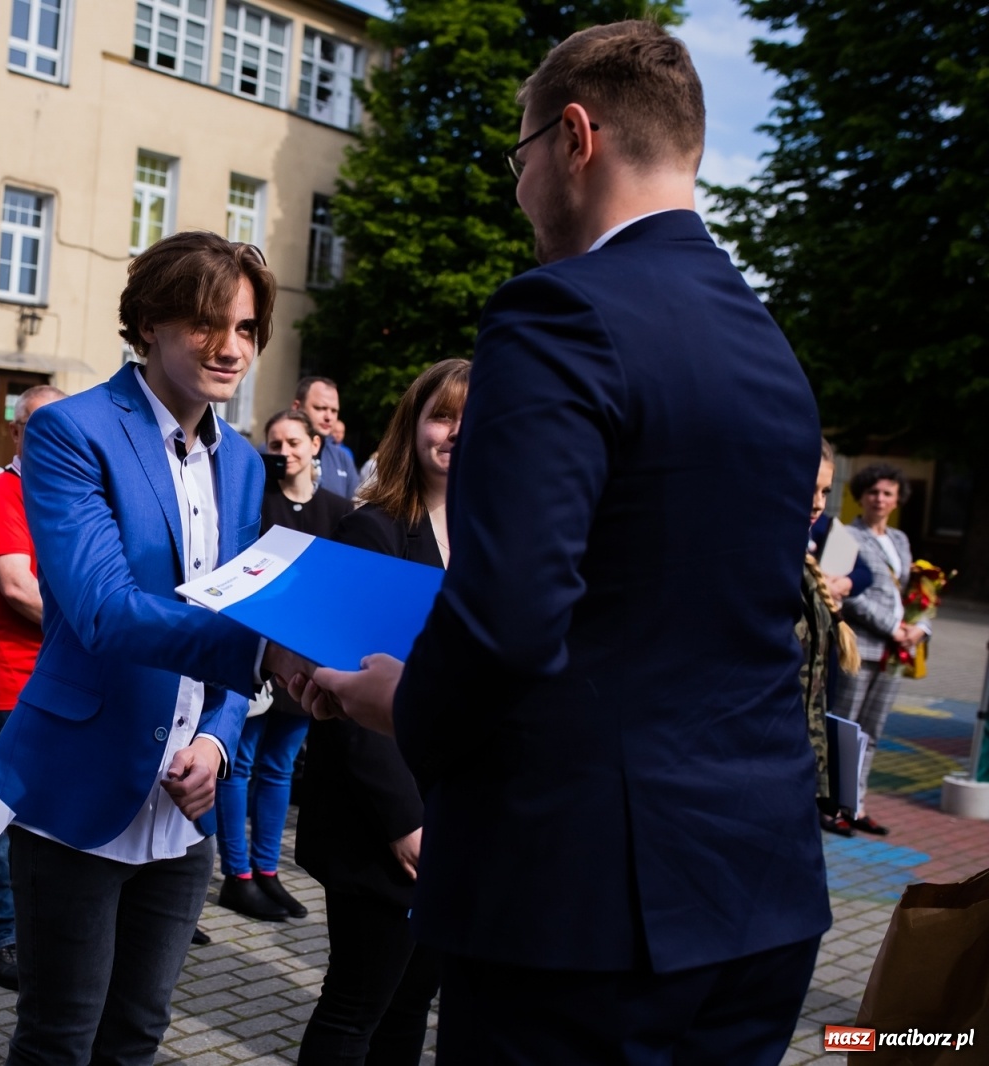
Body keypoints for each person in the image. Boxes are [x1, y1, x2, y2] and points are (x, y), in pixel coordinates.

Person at [289, 22, 831, 1062]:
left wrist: (397, 697)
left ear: (575, 137)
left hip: (582, 909)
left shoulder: (559, 312)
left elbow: (509, 618)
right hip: (758, 891)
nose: (520, 189)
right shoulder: (766, 342)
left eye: (521, 156)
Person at [0, 231, 305, 1066]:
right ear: (150, 323)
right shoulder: (74, 430)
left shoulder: (242, 462)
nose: (230, 347)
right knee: (59, 1038)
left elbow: (233, 606)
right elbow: (101, 609)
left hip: (185, 807)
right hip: (79, 784)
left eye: (246, 328)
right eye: (206, 323)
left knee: (138, 1034)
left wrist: (218, 740)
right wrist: (265, 655)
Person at [294, 360, 464, 1066]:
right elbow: (347, 687)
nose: (456, 433)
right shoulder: (374, 530)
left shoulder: (499, 539)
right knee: (356, 1005)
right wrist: (405, 821)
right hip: (383, 818)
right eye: (442, 416)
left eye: (473, 418)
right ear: (412, 426)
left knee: (412, 1006)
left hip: (460, 815)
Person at [215, 409, 352, 923]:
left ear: (315, 445)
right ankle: (238, 876)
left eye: (294, 442)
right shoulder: (255, 503)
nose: (284, 451)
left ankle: (268, 871)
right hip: (255, 655)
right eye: (275, 443)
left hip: (306, 660)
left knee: (278, 769)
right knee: (240, 765)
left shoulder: (340, 511)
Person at [0, 384, 65, 990]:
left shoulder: (67, 492)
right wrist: (97, 628)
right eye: (40, 426)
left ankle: (34, 924)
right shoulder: (0, 494)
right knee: (2, 814)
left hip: (65, 677)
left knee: (49, 812)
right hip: (15, 679)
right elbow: (18, 589)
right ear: (17, 433)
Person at [832, 462, 926, 837]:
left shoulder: (900, 539)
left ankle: (856, 805)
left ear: (897, 499)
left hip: (894, 653)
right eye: (873, 492)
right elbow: (841, 593)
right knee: (844, 728)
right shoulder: (844, 536)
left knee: (871, 732)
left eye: (888, 493)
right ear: (860, 496)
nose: (880, 499)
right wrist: (892, 627)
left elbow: (911, 591)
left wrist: (921, 627)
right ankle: (831, 806)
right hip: (859, 646)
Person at [801, 441, 860, 837]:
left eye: (825, 490)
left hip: (801, 760)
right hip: (763, 760)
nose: (818, 503)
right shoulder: (755, 564)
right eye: (810, 488)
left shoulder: (805, 569)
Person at [292, 376, 359, 500]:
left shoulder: (342, 459)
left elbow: (355, 505)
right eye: (320, 408)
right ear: (297, 407)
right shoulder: (274, 452)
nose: (328, 417)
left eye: (334, 411)